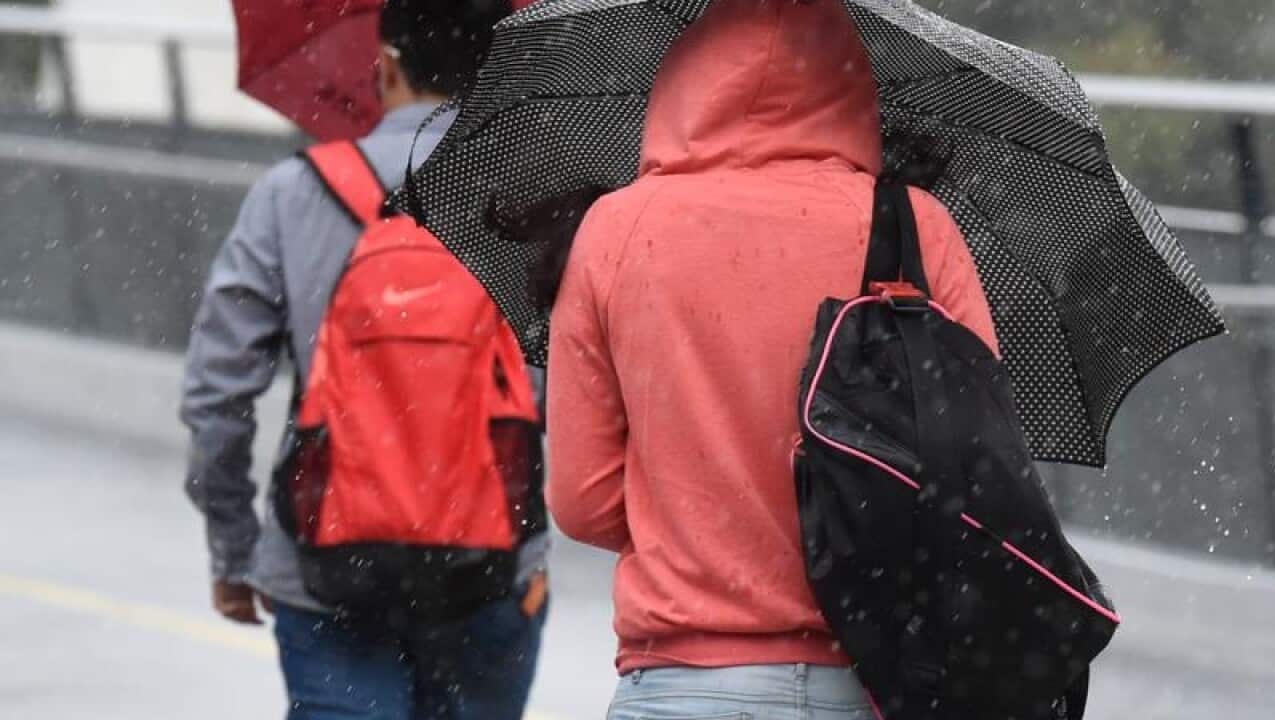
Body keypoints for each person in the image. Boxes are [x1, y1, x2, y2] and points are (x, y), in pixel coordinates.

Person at [545, 0, 1000, 717]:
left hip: (678, 683)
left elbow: (581, 499)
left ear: (683, 82)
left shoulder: (615, 231)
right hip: (872, 677)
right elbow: (977, 470)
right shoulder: (915, 227)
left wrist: (695, 522)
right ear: (851, 89)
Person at [181, 2, 547, 718]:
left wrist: (234, 550)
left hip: (324, 567)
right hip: (492, 569)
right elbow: (578, 387)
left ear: (385, 65)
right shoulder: (540, 198)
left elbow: (216, 394)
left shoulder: (293, 193)